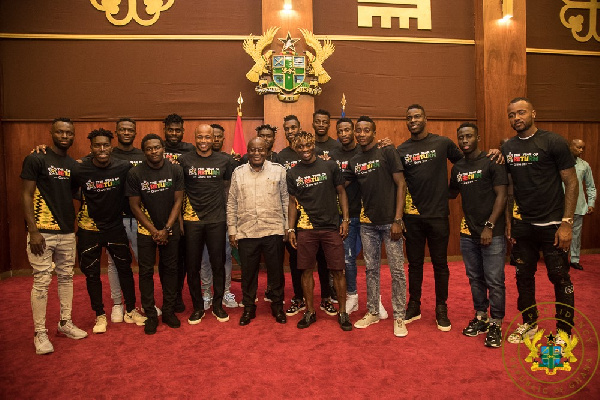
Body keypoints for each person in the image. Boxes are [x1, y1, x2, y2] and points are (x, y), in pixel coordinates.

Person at [502, 97, 578, 343]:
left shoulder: (553, 141)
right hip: (524, 225)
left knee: (559, 277)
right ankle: (529, 324)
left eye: (521, 112)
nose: (517, 118)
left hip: (553, 225)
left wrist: (567, 223)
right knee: (523, 276)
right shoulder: (508, 147)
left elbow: (571, 181)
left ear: (533, 113)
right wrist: (510, 222)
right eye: (512, 115)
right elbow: (510, 189)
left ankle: (564, 332)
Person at [21, 118, 88, 354]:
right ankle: (40, 333)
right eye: (60, 132)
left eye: (68, 133)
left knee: (66, 278)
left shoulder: (73, 165)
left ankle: (65, 323)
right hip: (42, 232)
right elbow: (27, 195)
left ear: (73, 135)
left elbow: (74, 193)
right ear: (51, 133)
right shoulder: (36, 158)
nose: (64, 136)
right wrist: (33, 230)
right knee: (41, 281)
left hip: (67, 232)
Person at [396, 104, 464, 332]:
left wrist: (452, 190)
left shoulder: (442, 143)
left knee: (440, 264)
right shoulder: (402, 149)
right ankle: (414, 305)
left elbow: (463, 163)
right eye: (409, 117)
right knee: (414, 264)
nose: (413, 120)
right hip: (412, 217)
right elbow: (398, 183)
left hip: (437, 216)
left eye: (417, 116)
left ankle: (441, 308)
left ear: (426, 118)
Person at [73, 128, 146, 334]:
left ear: (111, 147)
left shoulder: (123, 167)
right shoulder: (81, 169)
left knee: (125, 268)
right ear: (91, 147)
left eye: (106, 145)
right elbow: (68, 187)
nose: (102, 149)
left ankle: (130, 309)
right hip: (89, 227)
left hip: (115, 226)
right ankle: (100, 315)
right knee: (92, 274)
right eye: (97, 145)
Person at [345, 116, 408, 337]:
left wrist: (398, 219)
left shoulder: (387, 151)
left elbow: (401, 184)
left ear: (374, 132)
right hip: (367, 224)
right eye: (358, 131)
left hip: (391, 223)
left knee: (397, 271)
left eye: (366, 130)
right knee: (371, 269)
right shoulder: (354, 160)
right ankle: (372, 311)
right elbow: (339, 184)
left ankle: (399, 316)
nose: (361, 134)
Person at [449, 122, 507, 348]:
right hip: (468, 232)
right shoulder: (458, 167)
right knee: (475, 278)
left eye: (469, 136)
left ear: (478, 138)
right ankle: (481, 316)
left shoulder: (492, 161)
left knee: (494, 280)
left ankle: (496, 322)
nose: (464, 141)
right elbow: (451, 193)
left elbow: (502, 196)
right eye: (461, 137)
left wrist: (489, 226)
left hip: (492, 232)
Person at [287, 131, 352, 331]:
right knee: (306, 271)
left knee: (337, 270)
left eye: (308, 145)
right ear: (295, 149)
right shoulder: (292, 173)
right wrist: (290, 228)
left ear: (313, 144)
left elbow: (342, 192)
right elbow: (292, 203)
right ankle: (310, 311)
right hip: (305, 228)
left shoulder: (330, 166)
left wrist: (346, 220)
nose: (305, 150)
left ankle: (342, 312)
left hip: (331, 227)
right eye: (300, 147)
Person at [278, 115, 336, 317]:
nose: (291, 131)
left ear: (300, 129)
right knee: (298, 263)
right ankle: (299, 298)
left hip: (322, 218)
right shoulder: (281, 156)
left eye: (294, 127)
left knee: (324, 262)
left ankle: (326, 298)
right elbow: (286, 193)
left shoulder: (316, 153)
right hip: (299, 222)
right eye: (287, 128)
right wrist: (289, 225)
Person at [126, 134, 184, 334]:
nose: (154, 151)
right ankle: (151, 314)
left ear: (163, 148)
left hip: (170, 229)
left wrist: (166, 229)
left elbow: (178, 201)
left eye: (157, 147)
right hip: (145, 230)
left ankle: (168, 311)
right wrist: (154, 231)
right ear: (144, 151)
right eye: (149, 148)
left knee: (170, 270)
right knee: (146, 272)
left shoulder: (175, 169)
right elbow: (134, 205)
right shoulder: (135, 173)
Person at [227, 137, 289, 325]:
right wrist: (232, 230)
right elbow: (232, 202)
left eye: (261, 149)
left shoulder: (279, 171)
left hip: (273, 230)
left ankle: (277, 307)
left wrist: (287, 227)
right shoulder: (238, 173)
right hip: (247, 232)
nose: (256, 153)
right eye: (252, 149)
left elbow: (286, 200)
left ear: (267, 151)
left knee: (276, 272)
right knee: (248, 273)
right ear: (247, 151)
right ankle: (248, 308)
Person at [179, 124, 233, 324]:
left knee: (218, 264)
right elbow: (179, 192)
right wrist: (180, 221)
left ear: (214, 139)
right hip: (192, 219)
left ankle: (218, 305)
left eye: (207, 137)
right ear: (195, 138)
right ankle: (198, 307)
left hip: (217, 219)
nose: (203, 141)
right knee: (192, 266)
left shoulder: (225, 160)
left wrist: (229, 215)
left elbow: (228, 188)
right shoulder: (184, 160)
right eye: (200, 137)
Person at [105, 118, 147, 323]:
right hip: (115, 219)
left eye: (130, 129)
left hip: (140, 218)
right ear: (116, 132)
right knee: (114, 264)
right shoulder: (108, 154)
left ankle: (144, 302)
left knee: (144, 263)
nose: (126, 132)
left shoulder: (143, 155)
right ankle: (117, 304)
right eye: (122, 129)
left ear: (135, 132)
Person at [199, 123, 240, 310]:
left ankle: (224, 292)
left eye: (217, 136)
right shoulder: (194, 159)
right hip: (201, 219)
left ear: (223, 139)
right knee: (205, 257)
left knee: (225, 257)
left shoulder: (227, 160)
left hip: (223, 217)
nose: (214, 139)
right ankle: (207, 293)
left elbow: (230, 190)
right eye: (210, 136)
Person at [162, 113, 195, 313]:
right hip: (161, 212)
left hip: (186, 212)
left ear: (183, 131)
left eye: (177, 130)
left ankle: (177, 295)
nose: (174, 133)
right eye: (170, 130)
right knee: (168, 261)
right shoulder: (157, 148)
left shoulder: (190, 150)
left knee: (182, 259)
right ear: (164, 131)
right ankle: (169, 296)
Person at [330, 118, 362, 314]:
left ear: (354, 131)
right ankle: (352, 295)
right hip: (343, 215)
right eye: (340, 131)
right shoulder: (332, 155)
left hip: (366, 213)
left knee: (373, 261)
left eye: (347, 130)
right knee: (348, 260)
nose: (344, 134)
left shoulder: (363, 151)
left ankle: (376, 299)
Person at [568, 139, 596, 271]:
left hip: (578, 205)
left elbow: (591, 186)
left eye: (583, 148)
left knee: (576, 234)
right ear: (570, 146)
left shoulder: (584, 165)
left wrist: (591, 202)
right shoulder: (558, 163)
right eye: (578, 147)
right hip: (559, 206)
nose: (581, 150)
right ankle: (559, 258)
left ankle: (574, 259)